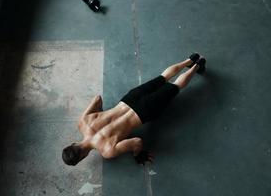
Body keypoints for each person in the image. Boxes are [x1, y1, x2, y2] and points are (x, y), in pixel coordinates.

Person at [62, 53, 206, 166]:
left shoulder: (107, 150)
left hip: (144, 112)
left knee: (176, 86)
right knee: (163, 77)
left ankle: (197, 66)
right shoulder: (83, 122)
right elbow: (97, 99)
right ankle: (190, 60)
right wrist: (101, 114)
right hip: (129, 99)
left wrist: (138, 155)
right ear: (73, 144)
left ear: (83, 157)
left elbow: (137, 142)